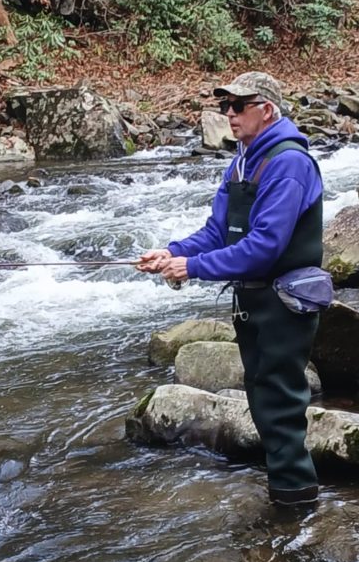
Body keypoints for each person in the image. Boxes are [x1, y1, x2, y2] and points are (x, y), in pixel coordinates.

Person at [138, 71, 324, 506]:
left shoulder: (289, 163)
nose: (229, 114)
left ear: (267, 110)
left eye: (239, 106)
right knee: (262, 399)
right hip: (251, 300)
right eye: (226, 106)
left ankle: (296, 505)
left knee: (279, 407)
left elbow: (264, 247)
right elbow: (218, 232)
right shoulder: (242, 161)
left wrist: (193, 268)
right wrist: (171, 253)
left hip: (284, 302)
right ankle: (288, 499)